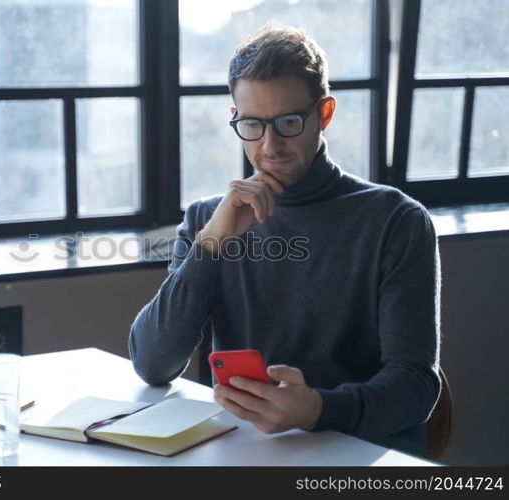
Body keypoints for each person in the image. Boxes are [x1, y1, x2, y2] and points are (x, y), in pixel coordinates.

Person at [128, 21, 442, 457]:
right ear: (236, 119)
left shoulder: (396, 220)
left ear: (324, 115)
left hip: (356, 454)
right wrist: (210, 243)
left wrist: (318, 409)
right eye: (254, 125)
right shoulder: (209, 218)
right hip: (242, 452)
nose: (270, 145)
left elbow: (416, 386)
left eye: (289, 122)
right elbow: (152, 364)